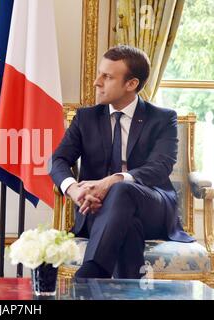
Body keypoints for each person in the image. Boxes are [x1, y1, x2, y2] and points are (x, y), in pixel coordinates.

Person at [50, 45, 194, 279]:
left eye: (107, 77)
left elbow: (160, 166)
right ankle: (128, 292)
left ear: (131, 84)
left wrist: (112, 181)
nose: (97, 82)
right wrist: (74, 190)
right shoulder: (85, 118)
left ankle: (89, 275)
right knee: (128, 227)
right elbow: (59, 159)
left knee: (122, 189)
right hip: (96, 209)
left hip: (152, 206)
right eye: (99, 73)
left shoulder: (162, 118)